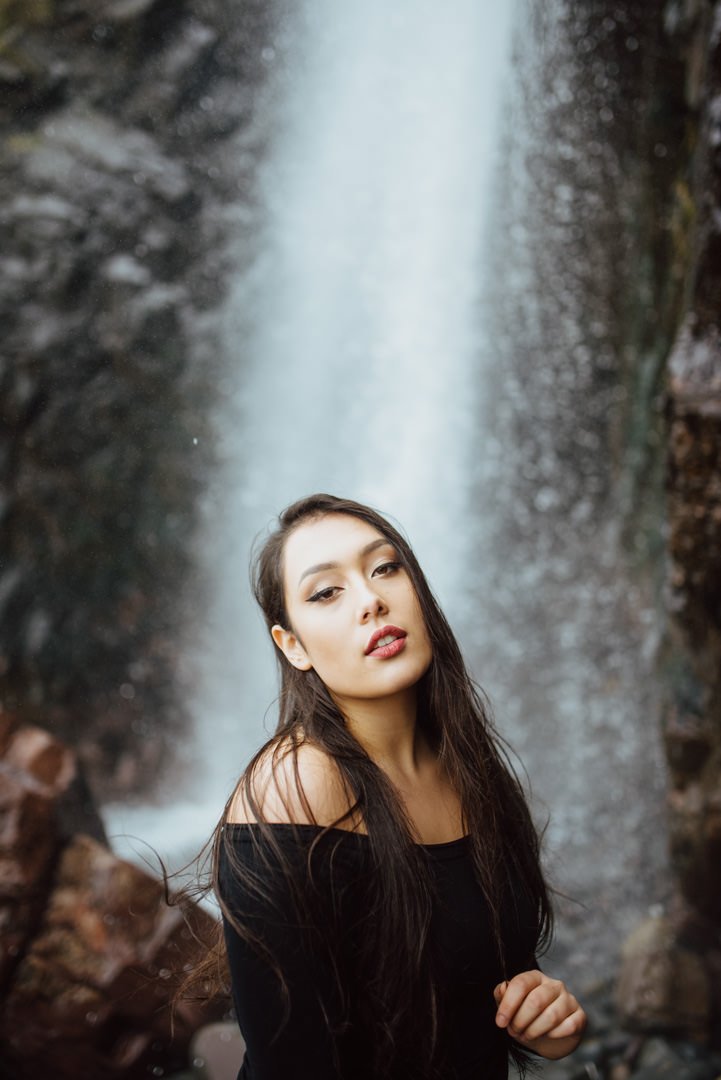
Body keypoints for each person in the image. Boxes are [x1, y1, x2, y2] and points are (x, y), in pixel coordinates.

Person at [212, 493, 586, 1079]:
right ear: (293, 646)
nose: (372, 600)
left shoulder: (470, 770)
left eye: (385, 567)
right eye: (326, 592)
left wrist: (547, 1021)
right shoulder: (296, 792)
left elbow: (489, 988)